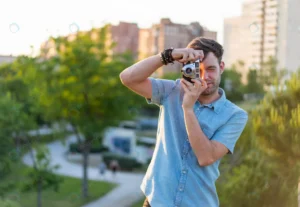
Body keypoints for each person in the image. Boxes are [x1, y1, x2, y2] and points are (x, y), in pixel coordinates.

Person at [119, 37, 248, 207]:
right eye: (198, 70)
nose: (204, 77)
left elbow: (206, 156)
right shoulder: (172, 91)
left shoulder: (235, 115)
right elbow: (128, 78)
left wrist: (188, 108)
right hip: (157, 201)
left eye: (211, 69)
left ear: (221, 67)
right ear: (187, 69)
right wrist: (168, 55)